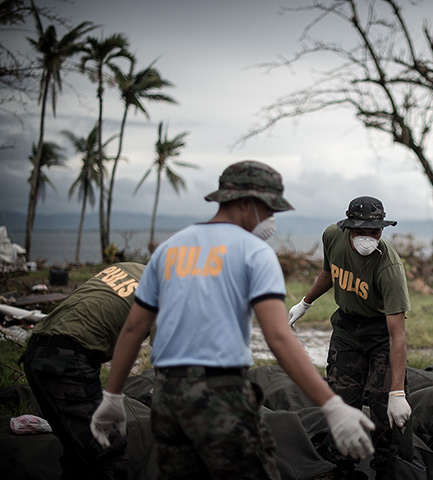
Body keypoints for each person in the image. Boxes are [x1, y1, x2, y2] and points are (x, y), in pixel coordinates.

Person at [89, 161, 374, 480]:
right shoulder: (254, 252)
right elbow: (278, 337)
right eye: (268, 209)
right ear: (246, 203)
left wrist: (113, 396)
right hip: (220, 394)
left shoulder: (170, 249)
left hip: (167, 397)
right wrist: (331, 404)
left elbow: (133, 328)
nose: (270, 220)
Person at [287, 195, 412, 478]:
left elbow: (397, 335)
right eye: (361, 231)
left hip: (380, 333)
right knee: (342, 401)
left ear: (382, 230)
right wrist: (305, 303)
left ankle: (386, 467)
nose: (368, 238)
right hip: (346, 328)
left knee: (384, 410)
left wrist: (397, 392)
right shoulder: (333, 236)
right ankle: (342, 466)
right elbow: (330, 271)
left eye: (375, 232)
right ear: (348, 228)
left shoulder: (389, 269)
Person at [20, 262, 146, 480]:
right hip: (66, 360)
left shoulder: (129, 267)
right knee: (108, 449)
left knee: (78, 451)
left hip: (38, 349)